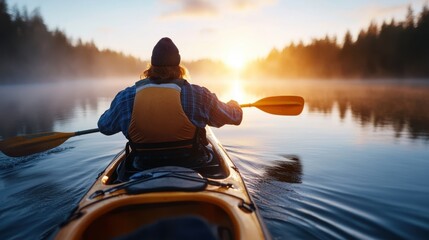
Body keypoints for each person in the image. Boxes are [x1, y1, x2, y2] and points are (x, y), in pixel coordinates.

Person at [98, 37, 242, 172]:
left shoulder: (126, 98)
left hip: (141, 167)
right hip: (193, 166)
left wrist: (114, 110)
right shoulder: (199, 95)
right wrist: (234, 104)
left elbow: (104, 126)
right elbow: (235, 117)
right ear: (179, 67)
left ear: (151, 67)